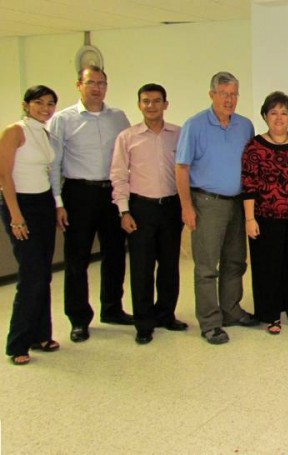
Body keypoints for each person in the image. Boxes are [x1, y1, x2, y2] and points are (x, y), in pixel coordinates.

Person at [48, 66, 132, 343]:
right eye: (91, 83)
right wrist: (58, 203)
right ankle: (79, 319)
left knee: (115, 255)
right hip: (78, 193)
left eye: (101, 83)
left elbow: (128, 157)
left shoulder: (118, 117)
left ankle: (112, 308)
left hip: (111, 194)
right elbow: (54, 164)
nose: (97, 87)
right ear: (79, 85)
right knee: (77, 260)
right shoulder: (63, 120)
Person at [176, 71, 259, 345]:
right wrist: (186, 206)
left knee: (236, 261)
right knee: (207, 266)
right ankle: (210, 322)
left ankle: (231, 310)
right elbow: (182, 168)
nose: (230, 99)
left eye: (234, 94)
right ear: (212, 94)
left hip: (238, 205)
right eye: (224, 93)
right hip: (207, 204)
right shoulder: (195, 125)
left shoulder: (245, 126)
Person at [110, 83, 187, 345]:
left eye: (156, 101)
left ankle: (165, 314)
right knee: (142, 268)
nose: (151, 105)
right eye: (146, 101)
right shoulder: (127, 137)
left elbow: (187, 170)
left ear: (166, 104)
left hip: (171, 206)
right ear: (139, 105)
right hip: (141, 208)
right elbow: (118, 176)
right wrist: (124, 211)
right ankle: (143, 322)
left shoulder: (178, 134)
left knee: (169, 266)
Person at [241, 91, 288, 335]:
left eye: (284, 113)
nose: (279, 117)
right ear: (265, 116)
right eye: (273, 113)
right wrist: (249, 219)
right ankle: (270, 314)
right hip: (265, 218)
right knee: (267, 267)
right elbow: (248, 185)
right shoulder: (254, 147)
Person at [0, 86, 59, 365]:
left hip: (44, 204)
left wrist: (57, 205)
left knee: (43, 274)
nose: (45, 108)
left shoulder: (45, 133)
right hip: (20, 205)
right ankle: (18, 342)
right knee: (31, 276)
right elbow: (4, 176)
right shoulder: (14, 131)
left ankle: (40, 334)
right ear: (26, 105)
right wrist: (15, 215)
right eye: (39, 103)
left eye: (50, 104)